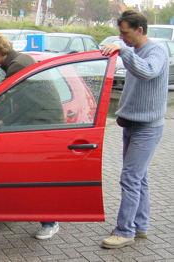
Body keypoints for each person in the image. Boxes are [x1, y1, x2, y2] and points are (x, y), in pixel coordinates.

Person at [0, 31, 60, 240]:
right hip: (33, 119)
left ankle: (50, 222)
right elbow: (24, 100)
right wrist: (6, 121)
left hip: (43, 123)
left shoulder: (17, 66)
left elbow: (3, 100)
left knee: (36, 176)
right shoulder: (16, 61)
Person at [100, 10, 169, 249]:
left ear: (139, 30)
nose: (122, 37)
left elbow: (147, 71)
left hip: (147, 128)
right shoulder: (136, 50)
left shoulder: (157, 51)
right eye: (120, 33)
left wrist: (124, 50)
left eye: (125, 33)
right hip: (131, 124)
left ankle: (124, 230)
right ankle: (140, 225)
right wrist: (121, 47)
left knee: (130, 178)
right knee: (140, 179)